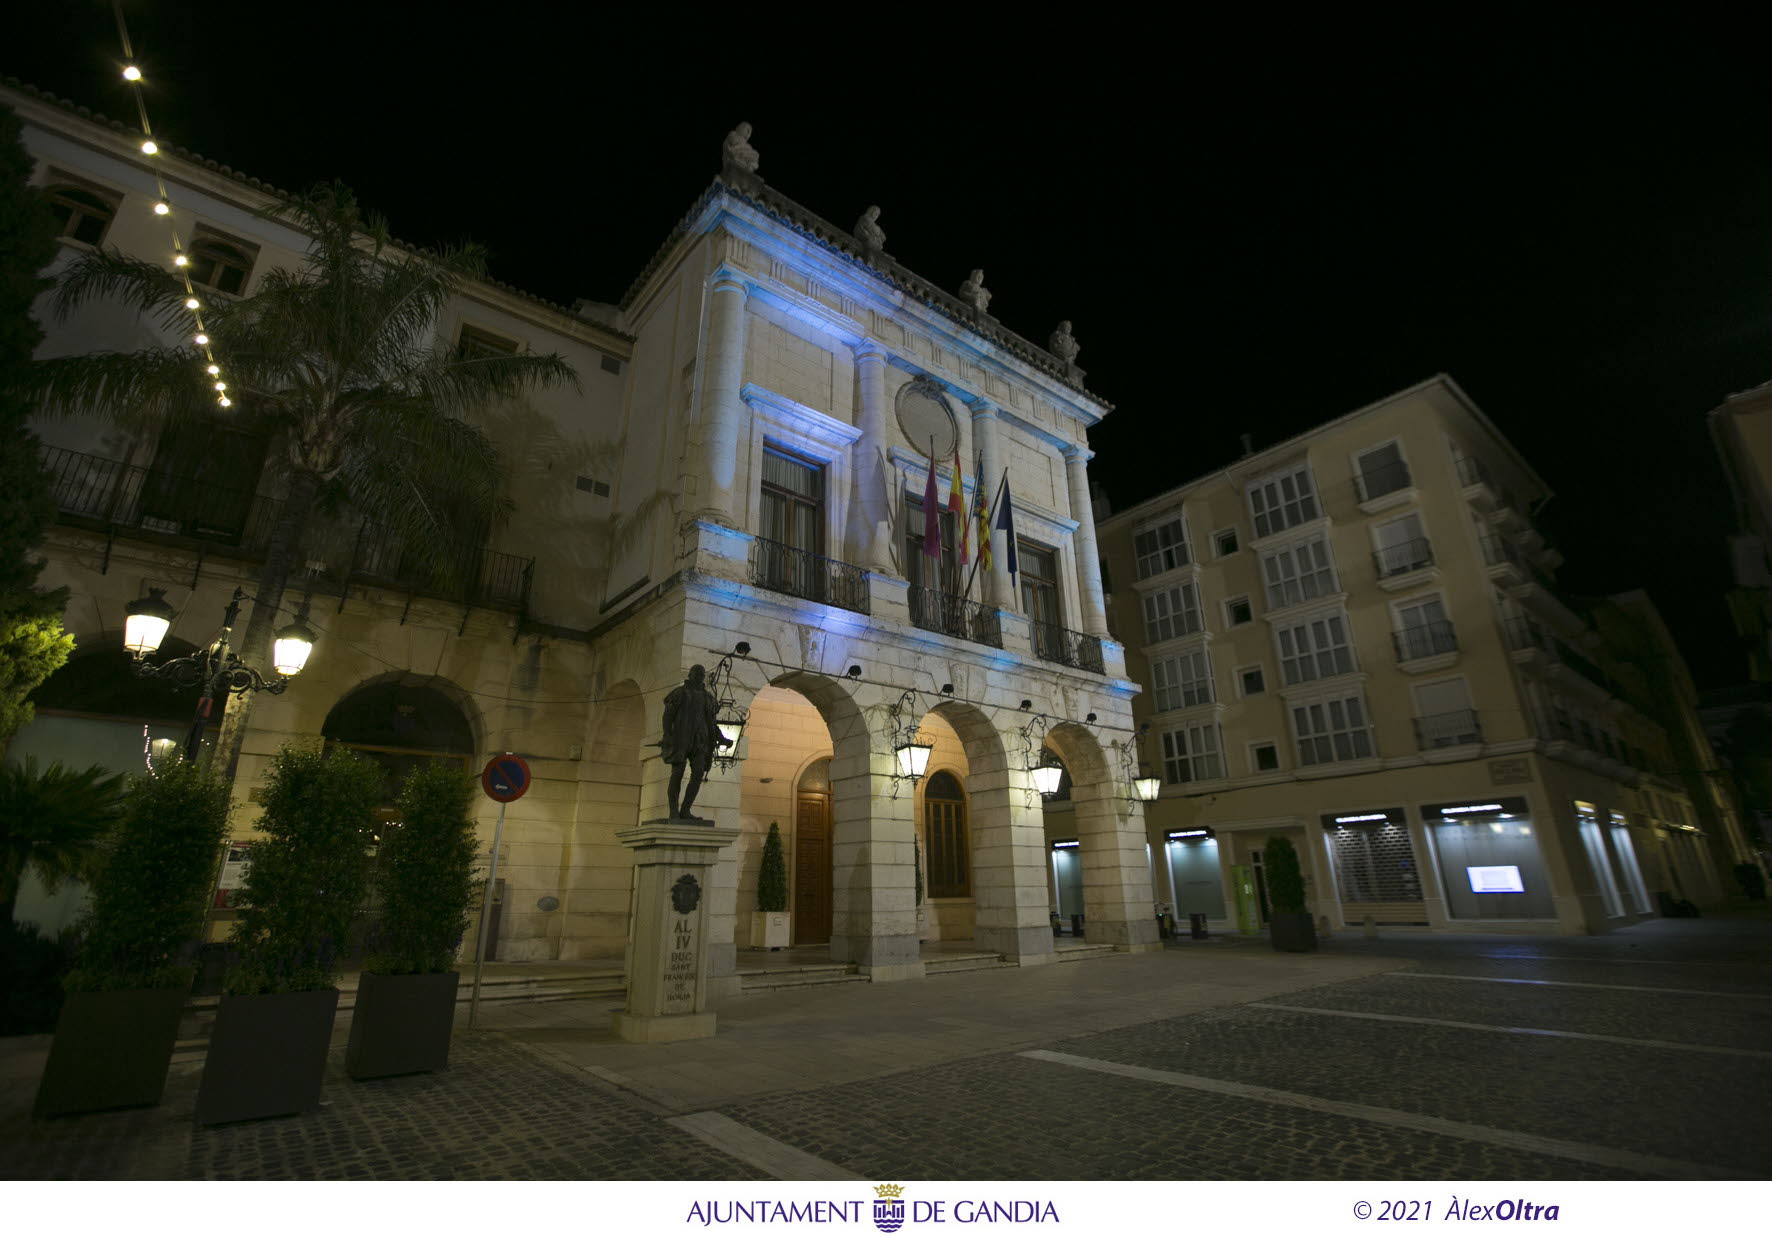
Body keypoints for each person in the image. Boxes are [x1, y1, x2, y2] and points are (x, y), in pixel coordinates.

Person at [661, 664, 722, 819]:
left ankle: (685, 810)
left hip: (700, 741)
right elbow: (668, 715)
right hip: (681, 739)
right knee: (677, 773)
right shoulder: (679, 693)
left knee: (698, 774)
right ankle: (673, 810)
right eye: (696, 673)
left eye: (701, 674)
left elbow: (712, 723)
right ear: (690, 675)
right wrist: (667, 734)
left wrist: (722, 738)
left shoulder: (708, 698)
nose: (699, 676)